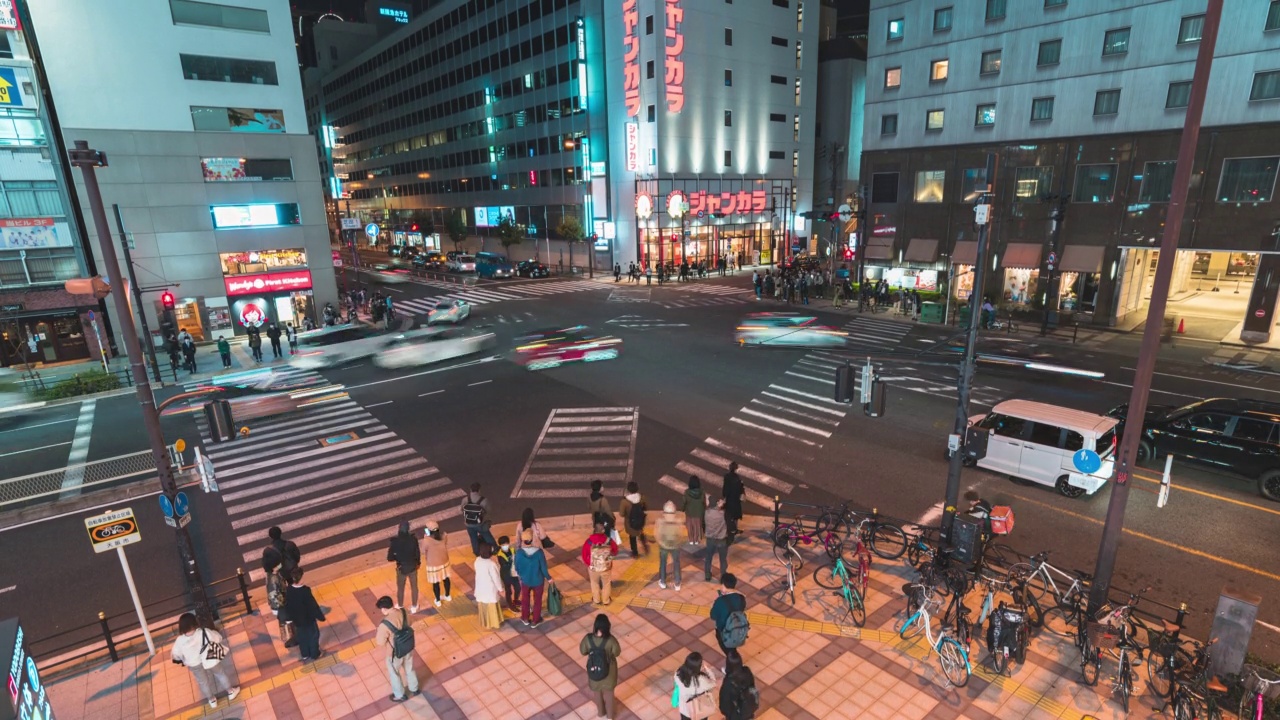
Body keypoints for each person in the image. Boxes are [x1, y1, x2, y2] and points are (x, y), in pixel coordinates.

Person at [170, 612, 239, 709]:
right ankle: (231, 692)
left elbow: (176, 655)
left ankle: (212, 700)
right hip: (210, 658)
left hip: (194, 664)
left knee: (203, 682)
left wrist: (183, 659)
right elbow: (218, 638)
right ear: (194, 622)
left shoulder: (180, 641)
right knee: (220, 673)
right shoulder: (203, 632)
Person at [374, 596, 419, 702]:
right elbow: (411, 621)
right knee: (409, 667)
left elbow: (380, 642)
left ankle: (400, 695)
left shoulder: (384, 624)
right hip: (407, 647)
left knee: (394, 673)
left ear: (384, 609)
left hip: (394, 653)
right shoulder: (403, 612)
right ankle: (415, 689)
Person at [579, 613, 622, 720]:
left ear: (595, 626)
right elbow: (617, 652)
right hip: (609, 673)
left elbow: (583, 651)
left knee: (597, 694)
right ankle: (610, 716)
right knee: (609, 695)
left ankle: (601, 713)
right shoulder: (611, 640)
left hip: (594, 671)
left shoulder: (587, 639)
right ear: (608, 627)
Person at [283, 567, 325, 661]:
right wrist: (320, 616)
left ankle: (305, 654)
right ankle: (315, 654)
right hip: (308, 619)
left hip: (297, 620)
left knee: (302, 636)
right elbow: (312, 605)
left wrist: (289, 618)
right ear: (300, 579)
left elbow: (288, 605)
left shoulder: (289, 590)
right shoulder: (305, 591)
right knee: (314, 635)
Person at [514, 528, 552, 628]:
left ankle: (525, 618)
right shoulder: (539, 552)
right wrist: (549, 578)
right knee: (537, 600)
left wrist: (521, 575)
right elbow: (543, 568)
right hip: (538, 581)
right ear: (532, 539)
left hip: (525, 581)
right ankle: (535, 620)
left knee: (525, 599)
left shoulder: (519, 553)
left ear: (523, 540)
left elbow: (516, 567)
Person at [581, 518, 618, 605]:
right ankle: (606, 600)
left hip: (593, 568)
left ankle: (596, 600)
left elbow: (584, 555)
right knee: (606, 584)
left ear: (594, 530)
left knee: (594, 583)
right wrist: (609, 558)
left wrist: (589, 563)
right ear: (603, 531)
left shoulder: (589, 542)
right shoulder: (609, 541)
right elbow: (615, 551)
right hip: (606, 567)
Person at [710, 573, 748, 657]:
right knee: (732, 646)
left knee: (728, 649)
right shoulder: (741, 597)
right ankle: (733, 658)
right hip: (738, 626)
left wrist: (714, 605)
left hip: (724, 629)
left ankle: (733, 663)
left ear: (723, 585)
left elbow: (713, 616)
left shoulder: (720, 601)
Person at [386, 521, 421, 612]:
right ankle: (414, 606)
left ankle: (400, 605)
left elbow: (389, 558)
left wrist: (397, 557)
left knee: (401, 588)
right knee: (414, 587)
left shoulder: (395, 542)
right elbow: (417, 553)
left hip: (401, 568)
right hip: (413, 566)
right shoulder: (413, 539)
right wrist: (418, 563)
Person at [673, 652, 719, 720]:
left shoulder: (678, 674)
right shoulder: (702, 680)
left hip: (685, 711)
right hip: (700, 710)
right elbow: (714, 683)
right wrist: (707, 669)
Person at [263, 555, 295, 648]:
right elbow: (275, 596)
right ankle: (289, 637)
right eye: (278, 564)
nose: (280, 565)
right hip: (280, 605)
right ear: (273, 567)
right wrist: (285, 603)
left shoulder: (272, 575)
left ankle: (285, 635)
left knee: (282, 620)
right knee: (287, 620)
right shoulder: (273, 579)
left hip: (278, 604)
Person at [719, 650, 760, 720]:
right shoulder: (747, 671)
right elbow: (752, 685)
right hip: (748, 707)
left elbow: (724, 702)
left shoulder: (728, 682)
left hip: (735, 714)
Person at [473, 544, 505, 630]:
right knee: (491, 607)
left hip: (480, 587)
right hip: (490, 589)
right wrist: (500, 589)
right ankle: (494, 623)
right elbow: (496, 578)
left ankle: (485, 622)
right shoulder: (491, 564)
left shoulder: (477, 560)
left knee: (483, 605)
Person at [459, 483, 496, 556]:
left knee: (473, 538)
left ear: (470, 490)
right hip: (480, 524)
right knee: (487, 536)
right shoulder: (484, 500)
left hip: (468, 524)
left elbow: (461, 510)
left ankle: (476, 552)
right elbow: (489, 511)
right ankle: (494, 548)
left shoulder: (465, 499)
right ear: (479, 490)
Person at [422, 520, 452, 606]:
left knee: (436, 583)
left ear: (429, 531)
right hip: (444, 561)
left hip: (433, 564)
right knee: (446, 579)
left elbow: (423, 550)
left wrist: (425, 538)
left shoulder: (427, 540)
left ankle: (438, 600)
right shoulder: (444, 536)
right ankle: (447, 595)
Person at [617, 482, 649, 558]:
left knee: (632, 537)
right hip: (640, 520)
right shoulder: (642, 497)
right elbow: (646, 507)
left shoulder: (624, 502)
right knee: (641, 532)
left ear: (628, 490)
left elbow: (621, 514)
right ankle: (645, 547)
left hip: (630, 523)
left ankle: (635, 553)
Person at [656, 501, 682, 591]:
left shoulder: (660, 522)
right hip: (675, 546)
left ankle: (663, 581)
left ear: (664, 513)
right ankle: (677, 583)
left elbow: (657, 534)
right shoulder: (678, 522)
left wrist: (660, 542)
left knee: (663, 563)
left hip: (663, 546)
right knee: (676, 564)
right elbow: (680, 535)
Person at [703, 499, 729, 581]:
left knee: (708, 557)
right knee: (722, 559)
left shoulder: (707, 513)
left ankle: (707, 574)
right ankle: (723, 575)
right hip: (721, 538)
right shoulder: (723, 514)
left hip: (710, 538)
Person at [495, 535, 521, 611]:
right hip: (506, 575)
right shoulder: (500, 555)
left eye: (506, 544)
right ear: (500, 546)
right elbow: (504, 564)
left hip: (514, 573)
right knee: (508, 590)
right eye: (503, 545)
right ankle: (510, 605)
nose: (505, 546)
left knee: (518, 588)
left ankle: (516, 600)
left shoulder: (512, 550)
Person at [722, 463, 745, 544]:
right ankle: (734, 530)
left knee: (729, 516)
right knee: (735, 516)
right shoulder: (737, 479)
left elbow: (725, 491)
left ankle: (731, 531)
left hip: (729, 500)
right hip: (736, 500)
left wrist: (725, 497)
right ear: (736, 469)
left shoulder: (726, 477)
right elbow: (740, 489)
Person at [681, 476, 706, 545]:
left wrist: (683, 509)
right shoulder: (702, 492)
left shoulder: (687, 492)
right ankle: (697, 540)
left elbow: (684, 502)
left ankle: (691, 540)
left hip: (689, 513)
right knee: (697, 526)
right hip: (699, 513)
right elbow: (704, 503)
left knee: (690, 526)